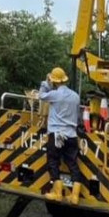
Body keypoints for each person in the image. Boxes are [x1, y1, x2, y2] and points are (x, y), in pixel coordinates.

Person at [39, 67, 84, 205]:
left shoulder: (54, 94)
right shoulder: (76, 96)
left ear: (54, 81)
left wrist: (45, 83)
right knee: (72, 164)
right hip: (71, 135)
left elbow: (41, 96)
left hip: (56, 134)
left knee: (53, 161)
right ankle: (75, 196)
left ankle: (58, 194)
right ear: (64, 79)